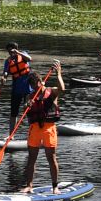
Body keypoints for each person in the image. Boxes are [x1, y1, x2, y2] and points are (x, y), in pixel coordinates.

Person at [19, 63, 65, 194]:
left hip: (49, 128)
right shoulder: (30, 96)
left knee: (51, 158)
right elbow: (24, 110)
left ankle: (55, 186)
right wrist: (27, 105)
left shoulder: (52, 92)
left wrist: (59, 74)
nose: (34, 88)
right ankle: (29, 186)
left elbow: (62, 89)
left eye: (35, 85)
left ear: (40, 82)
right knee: (31, 158)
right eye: (32, 86)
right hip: (35, 128)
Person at [2, 42, 36, 122]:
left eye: (12, 51)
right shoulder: (8, 61)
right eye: (9, 51)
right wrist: (4, 77)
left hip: (28, 88)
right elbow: (6, 72)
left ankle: (31, 129)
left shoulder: (23, 55)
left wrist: (18, 53)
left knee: (28, 109)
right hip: (17, 88)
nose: (10, 53)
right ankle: (11, 133)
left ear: (16, 49)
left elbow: (29, 59)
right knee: (13, 112)